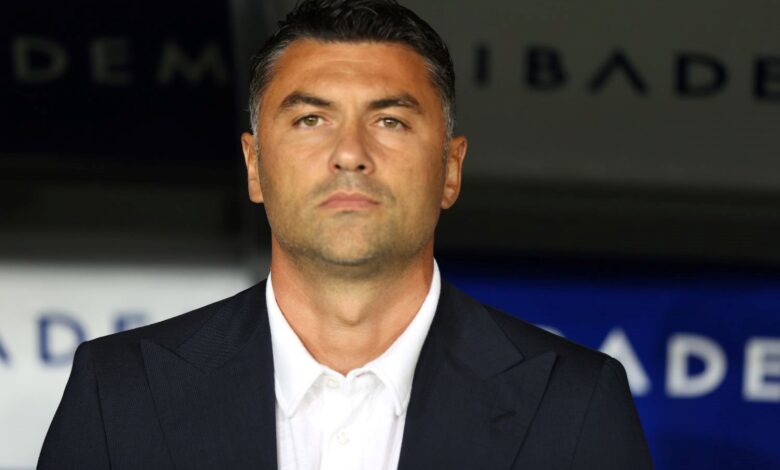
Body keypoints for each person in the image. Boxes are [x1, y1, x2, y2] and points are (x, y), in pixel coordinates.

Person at [38, 0, 653, 468]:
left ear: (450, 169)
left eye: (389, 121)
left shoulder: (574, 402)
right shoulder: (119, 390)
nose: (350, 153)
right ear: (254, 166)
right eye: (311, 119)